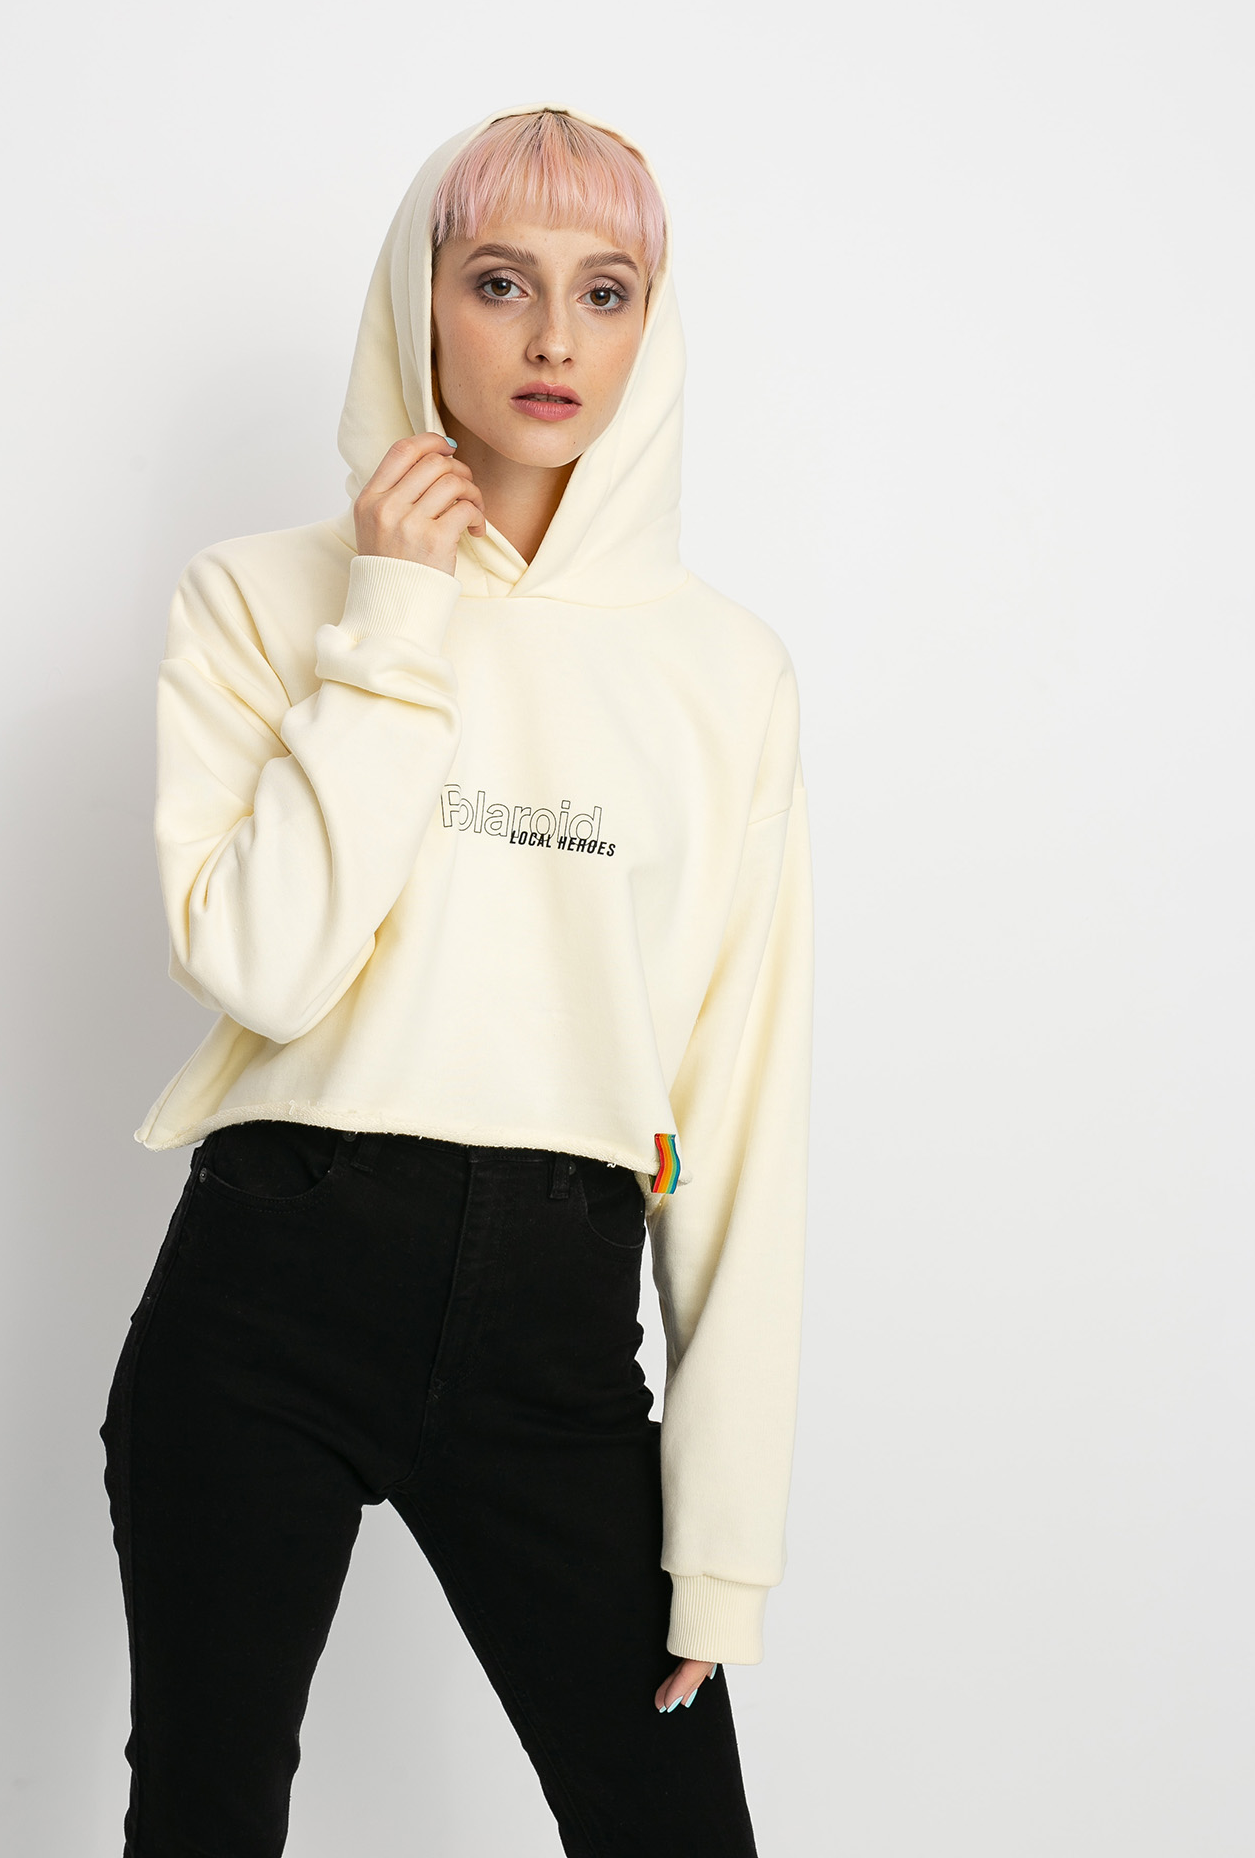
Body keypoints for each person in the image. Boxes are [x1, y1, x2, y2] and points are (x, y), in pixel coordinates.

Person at [102, 104, 813, 1857]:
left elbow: (742, 1113)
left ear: (652, 322)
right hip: (271, 1286)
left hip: (555, 1330)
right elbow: (267, 964)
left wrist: (722, 1539)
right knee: (204, 1818)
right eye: (501, 282)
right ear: (420, 302)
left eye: (606, 289)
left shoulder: (725, 675)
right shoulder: (259, 600)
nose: (555, 338)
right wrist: (397, 622)